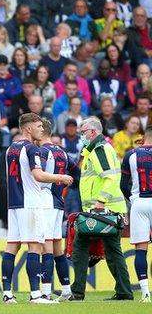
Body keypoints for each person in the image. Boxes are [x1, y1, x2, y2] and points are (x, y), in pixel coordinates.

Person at [1, 113, 73, 304]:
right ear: (28, 128)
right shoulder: (32, 148)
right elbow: (38, 175)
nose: (42, 129)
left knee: (11, 248)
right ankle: (36, 295)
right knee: (35, 247)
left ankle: (7, 293)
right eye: (39, 126)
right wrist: (61, 177)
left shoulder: (10, 149)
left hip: (13, 204)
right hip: (31, 203)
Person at [72, 117, 132, 301]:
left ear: (93, 132)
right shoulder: (97, 149)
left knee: (80, 246)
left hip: (102, 210)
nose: (81, 135)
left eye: (83, 132)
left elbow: (110, 178)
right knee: (113, 251)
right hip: (109, 209)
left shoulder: (99, 150)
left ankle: (77, 291)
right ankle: (124, 291)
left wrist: (100, 202)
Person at [36, 119, 79, 301]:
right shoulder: (62, 151)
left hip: (45, 202)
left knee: (46, 248)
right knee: (57, 249)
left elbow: (39, 177)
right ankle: (67, 289)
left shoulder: (42, 151)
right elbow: (76, 175)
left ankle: (45, 292)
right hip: (59, 203)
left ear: (42, 131)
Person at [121, 126, 152, 303]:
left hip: (139, 202)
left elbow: (123, 184)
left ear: (144, 137)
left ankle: (145, 293)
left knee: (140, 249)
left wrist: (133, 200)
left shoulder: (131, 155)